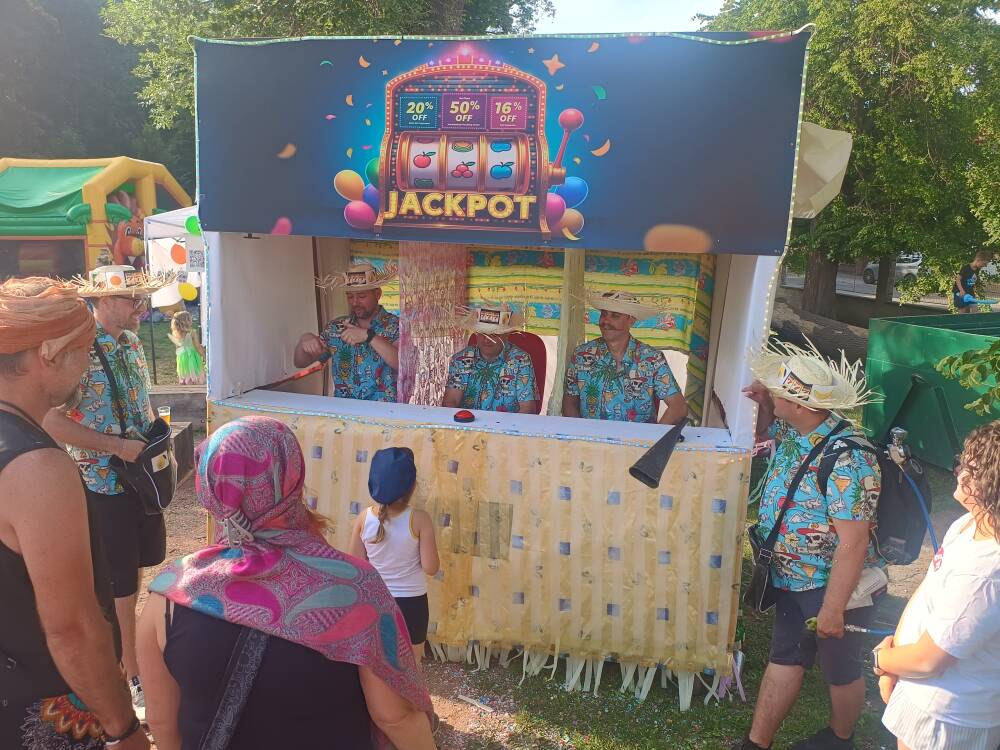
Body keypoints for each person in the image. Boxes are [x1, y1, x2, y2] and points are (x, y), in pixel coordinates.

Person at [135, 417, 436, 750]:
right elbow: (395, 717)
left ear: (210, 486)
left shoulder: (169, 594)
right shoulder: (356, 590)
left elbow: (162, 722)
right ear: (293, 478)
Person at [0, 277, 148, 749]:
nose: (87, 365)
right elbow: (72, 629)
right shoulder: (37, 466)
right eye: (83, 351)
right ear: (50, 353)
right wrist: (123, 728)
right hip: (39, 709)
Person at [734, 339, 883, 750]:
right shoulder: (798, 428)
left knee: (840, 669)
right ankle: (756, 744)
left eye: (779, 393)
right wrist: (766, 402)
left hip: (829, 585)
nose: (773, 395)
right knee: (785, 655)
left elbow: (854, 543)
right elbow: (770, 424)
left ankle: (840, 738)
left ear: (799, 405)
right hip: (792, 578)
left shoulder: (849, 458)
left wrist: (833, 609)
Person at [43, 265, 172, 716]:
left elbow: (141, 402)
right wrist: (116, 446)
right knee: (117, 583)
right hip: (102, 482)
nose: (139, 305)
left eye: (139, 297)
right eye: (128, 298)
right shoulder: (78, 350)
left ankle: (130, 662)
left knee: (134, 573)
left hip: (139, 478)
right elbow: (50, 419)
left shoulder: (132, 343)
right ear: (100, 301)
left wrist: (153, 442)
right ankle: (130, 674)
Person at [874, 421, 1000, 750]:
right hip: (921, 691)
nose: (959, 471)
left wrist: (882, 661)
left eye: (972, 469)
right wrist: (894, 661)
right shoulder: (970, 523)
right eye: (963, 461)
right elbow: (927, 589)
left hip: (946, 717)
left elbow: (929, 660)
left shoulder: (986, 574)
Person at [349, 447, 440, 661]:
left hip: (375, 601)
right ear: (412, 486)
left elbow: (354, 565)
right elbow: (431, 568)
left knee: (378, 664)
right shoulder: (420, 519)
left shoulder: (363, 518)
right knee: (412, 665)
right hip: (412, 605)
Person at [562, 291, 688, 424]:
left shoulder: (651, 359)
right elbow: (569, 403)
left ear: (631, 320)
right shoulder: (581, 355)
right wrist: (579, 432)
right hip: (590, 435)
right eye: (604, 314)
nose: (606, 321)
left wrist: (656, 436)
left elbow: (678, 407)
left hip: (637, 436)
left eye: (615, 316)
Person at [295, 263, 400, 401]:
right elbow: (300, 363)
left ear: (377, 294)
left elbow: (403, 365)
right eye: (350, 296)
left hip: (384, 411)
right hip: (343, 409)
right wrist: (304, 340)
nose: (355, 302)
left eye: (361, 296)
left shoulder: (396, 326)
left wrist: (369, 336)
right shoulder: (336, 328)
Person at [442, 304, 539, 413]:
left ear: (506, 335)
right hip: (467, 421)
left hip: (507, 423)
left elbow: (528, 409)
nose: (487, 340)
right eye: (482, 334)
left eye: (494, 335)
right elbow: (450, 402)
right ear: (476, 334)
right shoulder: (461, 359)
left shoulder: (520, 360)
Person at [168, 310, 204, 385]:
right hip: (192, 356)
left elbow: (177, 347)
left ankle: (186, 381)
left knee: (185, 370)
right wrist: (203, 355)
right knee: (193, 369)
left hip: (182, 356)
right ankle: (194, 381)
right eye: (190, 319)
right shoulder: (192, 332)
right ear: (186, 321)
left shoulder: (175, 333)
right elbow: (197, 346)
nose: (192, 320)